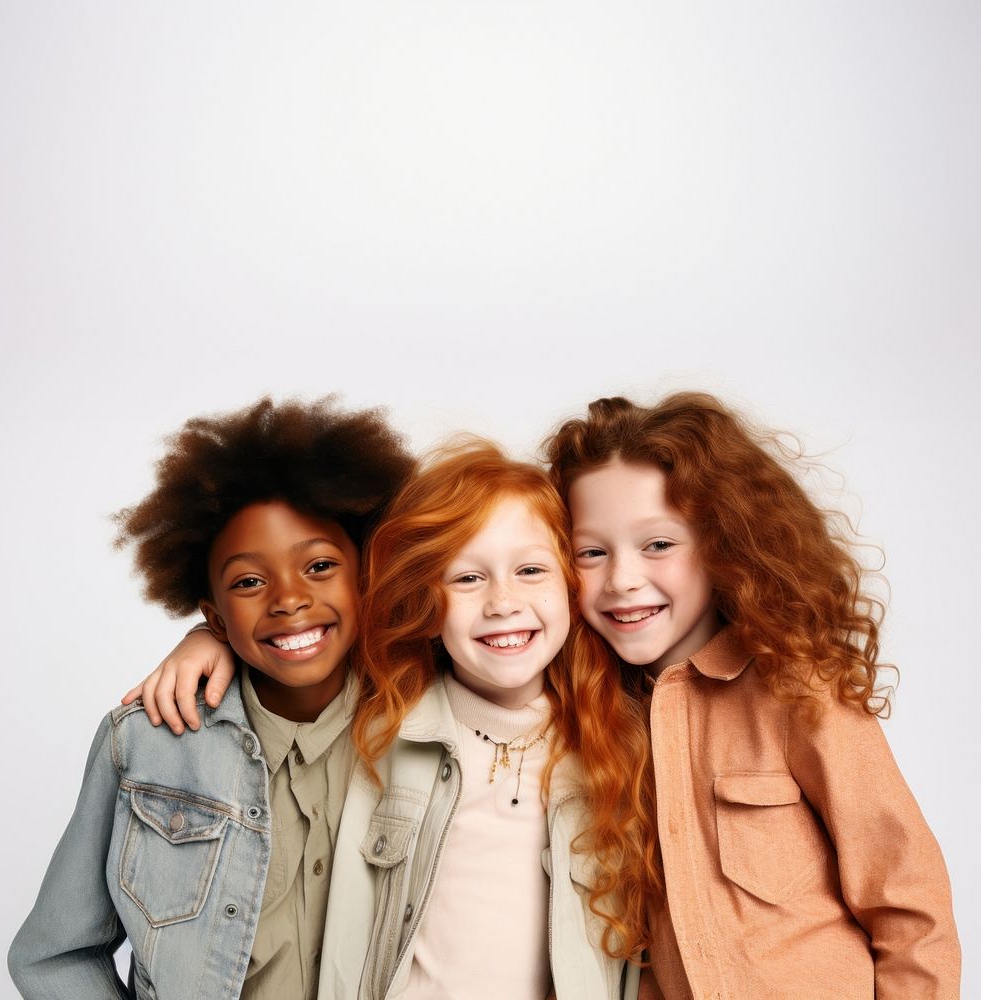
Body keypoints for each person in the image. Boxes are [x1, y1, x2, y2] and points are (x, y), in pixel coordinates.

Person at [545, 393, 961, 1000]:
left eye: (658, 544)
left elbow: (907, 901)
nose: (623, 579)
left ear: (722, 543)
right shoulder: (588, 719)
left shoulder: (795, 690)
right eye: (592, 552)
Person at [8, 397, 414, 1000]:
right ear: (214, 616)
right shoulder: (144, 742)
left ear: (368, 576)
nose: (288, 599)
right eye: (249, 582)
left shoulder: (430, 727)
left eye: (321, 565)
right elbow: (54, 957)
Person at [319, 442, 649, 999]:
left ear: (571, 588)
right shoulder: (382, 730)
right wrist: (206, 641)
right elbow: (282, 663)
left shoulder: (613, 744)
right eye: (467, 579)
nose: (502, 602)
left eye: (530, 570)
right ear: (426, 605)